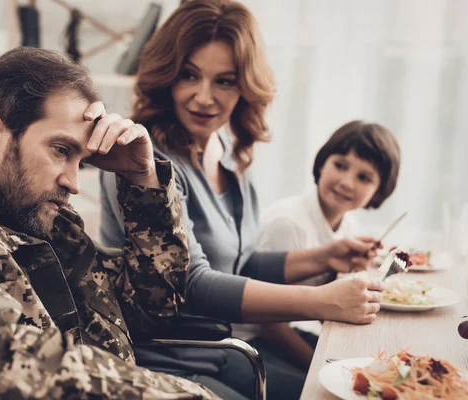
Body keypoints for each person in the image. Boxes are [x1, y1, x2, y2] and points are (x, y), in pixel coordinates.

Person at [0, 47, 220, 400]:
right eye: (61, 151)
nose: (74, 183)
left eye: (80, 161)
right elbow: (11, 364)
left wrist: (142, 177)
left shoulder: (51, 231)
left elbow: (153, 306)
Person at [98, 1, 384, 399]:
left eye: (225, 81)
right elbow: (191, 283)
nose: (203, 97)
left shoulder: (225, 151)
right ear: (166, 75)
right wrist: (321, 301)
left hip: (224, 350)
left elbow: (239, 262)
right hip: (169, 360)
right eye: (189, 75)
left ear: (245, 86)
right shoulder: (142, 161)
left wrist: (324, 257)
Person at [255, 120, 401, 370]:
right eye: (340, 165)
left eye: (363, 177)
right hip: (256, 344)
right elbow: (266, 323)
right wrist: (318, 365)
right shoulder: (287, 223)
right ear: (322, 163)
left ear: (378, 192)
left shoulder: (349, 226)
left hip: (289, 332)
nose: (346, 182)